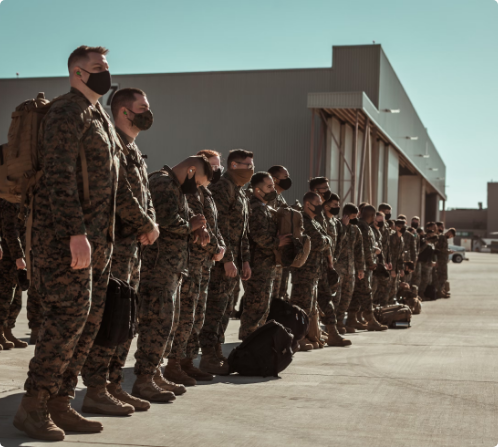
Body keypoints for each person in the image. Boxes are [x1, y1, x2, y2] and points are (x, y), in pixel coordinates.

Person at [14, 45, 120, 441]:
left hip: (96, 243)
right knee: (63, 325)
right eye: (97, 68)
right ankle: (32, 408)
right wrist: (76, 234)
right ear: (77, 72)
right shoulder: (65, 112)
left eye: (106, 67)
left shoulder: (100, 117)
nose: (104, 73)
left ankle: (60, 404)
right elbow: (58, 176)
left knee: (84, 326)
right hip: (63, 242)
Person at [80, 88, 159, 414]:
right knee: (111, 316)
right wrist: (146, 224)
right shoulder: (113, 144)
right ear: (124, 112)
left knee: (126, 319)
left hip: (132, 248)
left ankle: (113, 384)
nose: (148, 111)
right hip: (114, 247)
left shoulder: (133, 148)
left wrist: (150, 222)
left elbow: (144, 195)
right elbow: (121, 193)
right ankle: (95, 388)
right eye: (142, 106)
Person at [132, 156, 211, 399]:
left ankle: (154, 373)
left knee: (167, 323)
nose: (197, 188)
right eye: (198, 182)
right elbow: (166, 221)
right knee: (157, 321)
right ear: (190, 170)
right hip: (158, 268)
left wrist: (195, 229)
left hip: (172, 268)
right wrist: (192, 225)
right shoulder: (163, 183)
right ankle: (144, 378)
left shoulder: (176, 188)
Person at [199, 149, 253, 374]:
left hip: (235, 262)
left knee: (225, 310)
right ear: (233, 165)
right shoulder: (222, 188)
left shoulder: (239, 191)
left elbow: (242, 231)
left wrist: (246, 261)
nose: (251, 169)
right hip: (222, 262)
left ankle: (217, 352)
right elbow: (218, 226)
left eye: (252, 164)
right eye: (246, 165)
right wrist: (228, 259)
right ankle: (209, 356)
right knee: (215, 309)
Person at [239, 172, 291, 340]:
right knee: (256, 307)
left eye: (273, 186)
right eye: (269, 187)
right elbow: (257, 236)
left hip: (266, 265)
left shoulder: (266, 208)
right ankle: (249, 341)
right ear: (257, 190)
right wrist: (278, 242)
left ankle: (255, 341)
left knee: (262, 307)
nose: (273, 190)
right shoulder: (256, 209)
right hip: (257, 266)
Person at [187, 150, 226, 363]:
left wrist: (222, 248)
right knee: (186, 314)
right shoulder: (190, 191)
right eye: (212, 165)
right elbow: (199, 225)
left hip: (205, 263)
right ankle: (178, 362)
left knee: (198, 315)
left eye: (219, 166)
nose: (217, 170)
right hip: (192, 260)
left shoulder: (208, 194)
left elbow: (213, 226)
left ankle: (189, 360)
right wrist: (215, 249)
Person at [290, 192, 332, 348]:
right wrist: (327, 241)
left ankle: (309, 335)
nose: (320, 206)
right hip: (304, 271)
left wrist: (326, 240)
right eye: (317, 202)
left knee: (310, 306)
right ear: (307, 204)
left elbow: (325, 240)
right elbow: (319, 242)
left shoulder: (314, 222)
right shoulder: (304, 221)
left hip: (313, 271)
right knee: (301, 306)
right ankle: (297, 338)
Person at [348, 205, 387, 331]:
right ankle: (370, 320)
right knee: (366, 293)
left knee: (358, 293)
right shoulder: (364, 228)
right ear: (372, 216)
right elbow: (364, 249)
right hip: (363, 266)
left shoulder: (364, 226)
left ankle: (352, 319)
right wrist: (371, 262)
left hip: (361, 265)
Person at [320, 194, 352, 346]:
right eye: (334, 204)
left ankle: (329, 331)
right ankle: (325, 332)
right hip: (319, 266)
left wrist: (334, 260)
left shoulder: (335, 222)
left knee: (332, 299)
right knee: (321, 300)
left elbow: (339, 242)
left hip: (331, 267)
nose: (337, 207)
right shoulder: (321, 220)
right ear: (326, 205)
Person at [330, 203, 364, 334]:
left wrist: (360, 268)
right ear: (345, 215)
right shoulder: (337, 226)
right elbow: (335, 242)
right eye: (352, 216)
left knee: (346, 297)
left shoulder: (356, 230)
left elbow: (359, 250)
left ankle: (340, 322)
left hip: (351, 270)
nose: (355, 219)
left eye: (356, 216)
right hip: (338, 268)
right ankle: (332, 325)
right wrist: (343, 226)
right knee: (336, 298)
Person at [0, 198, 27, 350]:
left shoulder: (23, 199)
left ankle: (7, 331)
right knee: (4, 297)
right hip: (7, 255)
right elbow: (9, 231)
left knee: (16, 298)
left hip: (20, 254)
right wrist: (18, 256)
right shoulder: (7, 200)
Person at [268, 165, 292, 301]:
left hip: (278, 254)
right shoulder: (268, 198)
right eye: (285, 177)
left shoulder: (280, 199)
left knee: (276, 296)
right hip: (269, 253)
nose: (288, 180)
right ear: (275, 179)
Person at [388, 220, 407, 303]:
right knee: (389, 287)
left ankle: (392, 302)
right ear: (396, 227)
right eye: (400, 226)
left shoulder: (401, 238)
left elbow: (401, 256)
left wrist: (401, 269)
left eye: (403, 226)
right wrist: (392, 269)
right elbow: (390, 254)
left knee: (395, 286)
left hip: (397, 267)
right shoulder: (392, 237)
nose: (402, 228)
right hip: (391, 266)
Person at [435, 227, 455, 298]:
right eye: (451, 236)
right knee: (442, 276)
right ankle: (439, 291)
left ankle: (441, 290)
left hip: (442, 260)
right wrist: (449, 251)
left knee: (443, 276)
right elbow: (441, 249)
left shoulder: (443, 238)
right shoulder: (442, 238)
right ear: (449, 233)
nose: (450, 237)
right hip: (441, 260)